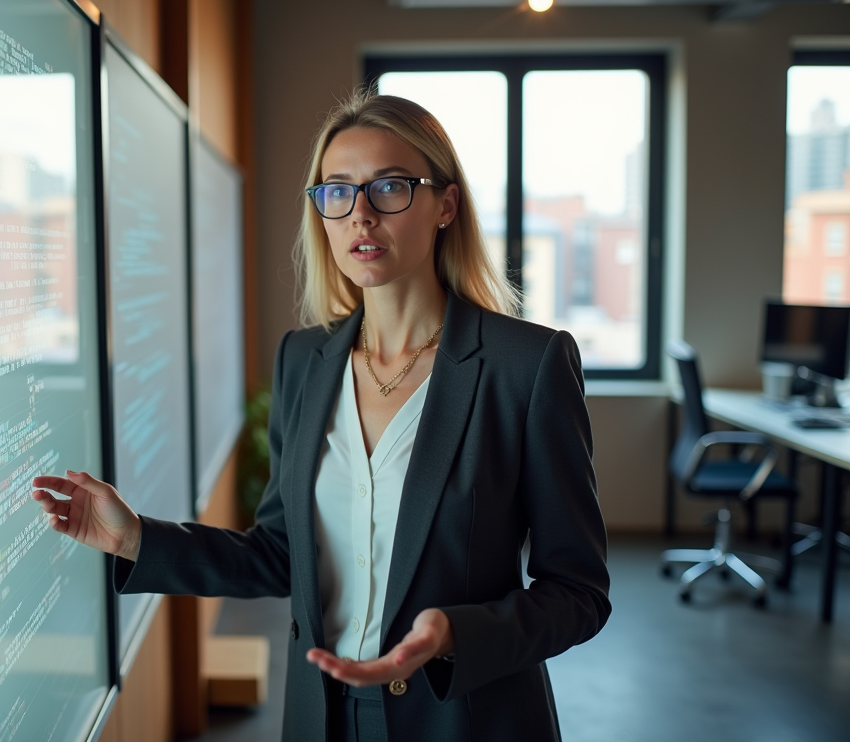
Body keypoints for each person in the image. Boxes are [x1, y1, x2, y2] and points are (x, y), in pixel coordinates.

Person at [31, 90, 610, 741]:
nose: (360, 214)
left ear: (445, 204)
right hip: (322, 718)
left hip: (467, 718)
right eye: (337, 193)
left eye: (389, 187)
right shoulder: (303, 361)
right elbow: (280, 555)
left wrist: (456, 634)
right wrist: (136, 538)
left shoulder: (525, 366)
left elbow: (578, 592)